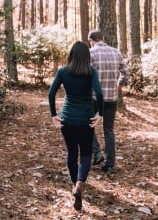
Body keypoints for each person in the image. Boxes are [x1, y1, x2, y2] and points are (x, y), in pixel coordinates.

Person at [48, 41, 104, 211]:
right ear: (87, 56)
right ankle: (80, 183)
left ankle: (74, 186)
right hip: (85, 119)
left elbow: (51, 93)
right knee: (86, 153)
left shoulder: (63, 71)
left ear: (71, 54)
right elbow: (99, 94)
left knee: (72, 153)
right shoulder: (91, 72)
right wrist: (100, 114)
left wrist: (54, 115)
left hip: (67, 120)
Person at [88, 30, 129, 175]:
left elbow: (85, 74)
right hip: (111, 98)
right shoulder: (116, 52)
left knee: (88, 125)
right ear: (103, 38)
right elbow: (126, 73)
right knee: (109, 130)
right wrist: (118, 85)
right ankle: (110, 165)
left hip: (94, 97)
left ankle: (97, 152)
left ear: (91, 40)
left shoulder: (90, 53)